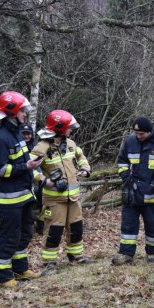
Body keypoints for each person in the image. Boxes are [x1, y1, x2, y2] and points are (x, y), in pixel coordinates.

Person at [0, 91, 42, 288]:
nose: (24, 115)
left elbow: (23, 160)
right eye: (22, 112)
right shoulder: (0, 139)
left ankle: (20, 268)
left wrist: (32, 165)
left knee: (25, 233)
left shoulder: (17, 133)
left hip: (24, 194)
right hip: (10, 198)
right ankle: (3, 276)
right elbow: (0, 170)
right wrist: (26, 167)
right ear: (11, 113)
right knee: (9, 236)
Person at [30, 110, 92, 275]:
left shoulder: (71, 144)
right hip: (54, 199)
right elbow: (30, 171)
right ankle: (49, 262)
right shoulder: (41, 148)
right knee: (53, 231)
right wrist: (44, 181)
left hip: (74, 198)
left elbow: (81, 157)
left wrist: (85, 169)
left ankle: (76, 255)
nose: (71, 130)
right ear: (60, 127)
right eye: (69, 127)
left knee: (76, 227)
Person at [112, 117, 154, 265]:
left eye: (141, 134)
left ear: (149, 132)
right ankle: (126, 254)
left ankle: (152, 253)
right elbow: (122, 162)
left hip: (151, 196)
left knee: (152, 226)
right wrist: (126, 177)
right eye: (136, 133)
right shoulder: (129, 142)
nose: (138, 136)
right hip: (131, 195)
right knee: (128, 225)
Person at [21, 124, 45, 235]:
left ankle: (41, 227)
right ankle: (28, 227)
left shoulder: (37, 145)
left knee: (41, 201)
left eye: (28, 133)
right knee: (27, 202)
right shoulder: (18, 145)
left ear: (31, 134)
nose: (26, 136)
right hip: (23, 177)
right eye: (24, 133)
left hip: (37, 176)